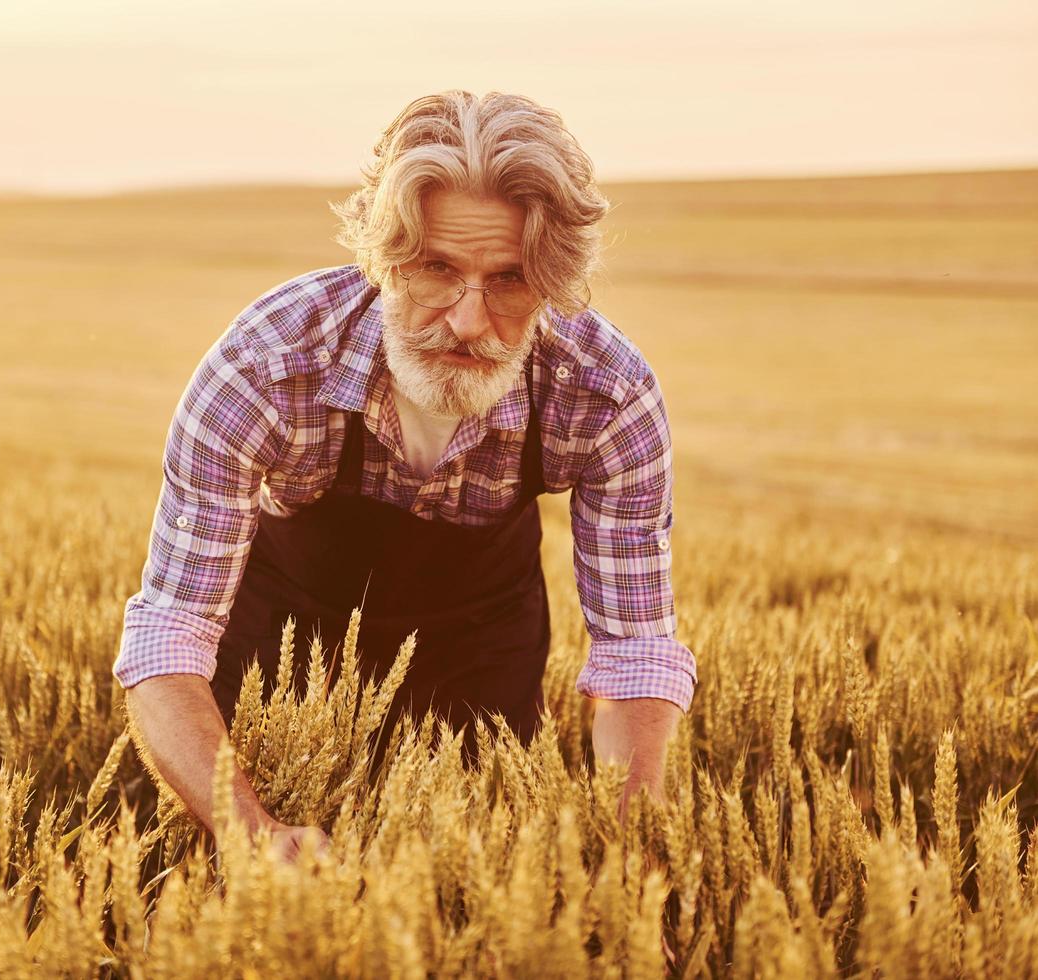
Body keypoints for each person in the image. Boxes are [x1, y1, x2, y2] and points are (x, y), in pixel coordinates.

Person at [115, 90, 695, 859]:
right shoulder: (265, 368)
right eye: (435, 268)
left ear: (553, 284)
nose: (466, 319)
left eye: (511, 280)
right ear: (383, 259)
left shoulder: (604, 392)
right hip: (279, 651)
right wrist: (246, 831)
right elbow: (170, 635)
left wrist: (628, 860)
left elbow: (635, 655)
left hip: (479, 651)